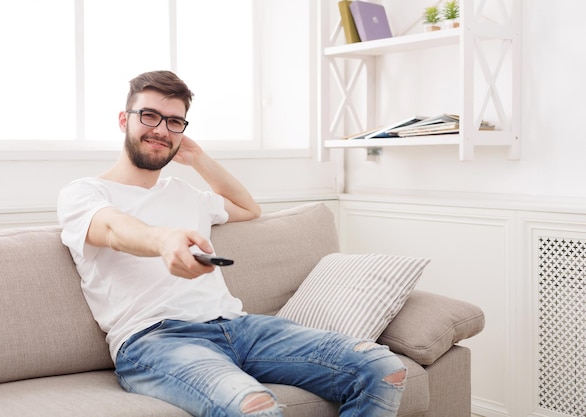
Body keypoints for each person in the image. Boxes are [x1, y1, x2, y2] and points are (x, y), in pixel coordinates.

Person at [57, 70, 406, 417]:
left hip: (238, 327)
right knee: (254, 408)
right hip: (155, 340)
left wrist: (198, 159)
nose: (161, 130)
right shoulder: (85, 193)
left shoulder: (185, 193)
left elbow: (247, 208)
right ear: (124, 120)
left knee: (380, 368)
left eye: (174, 121)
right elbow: (113, 229)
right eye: (149, 116)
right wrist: (164, 240)